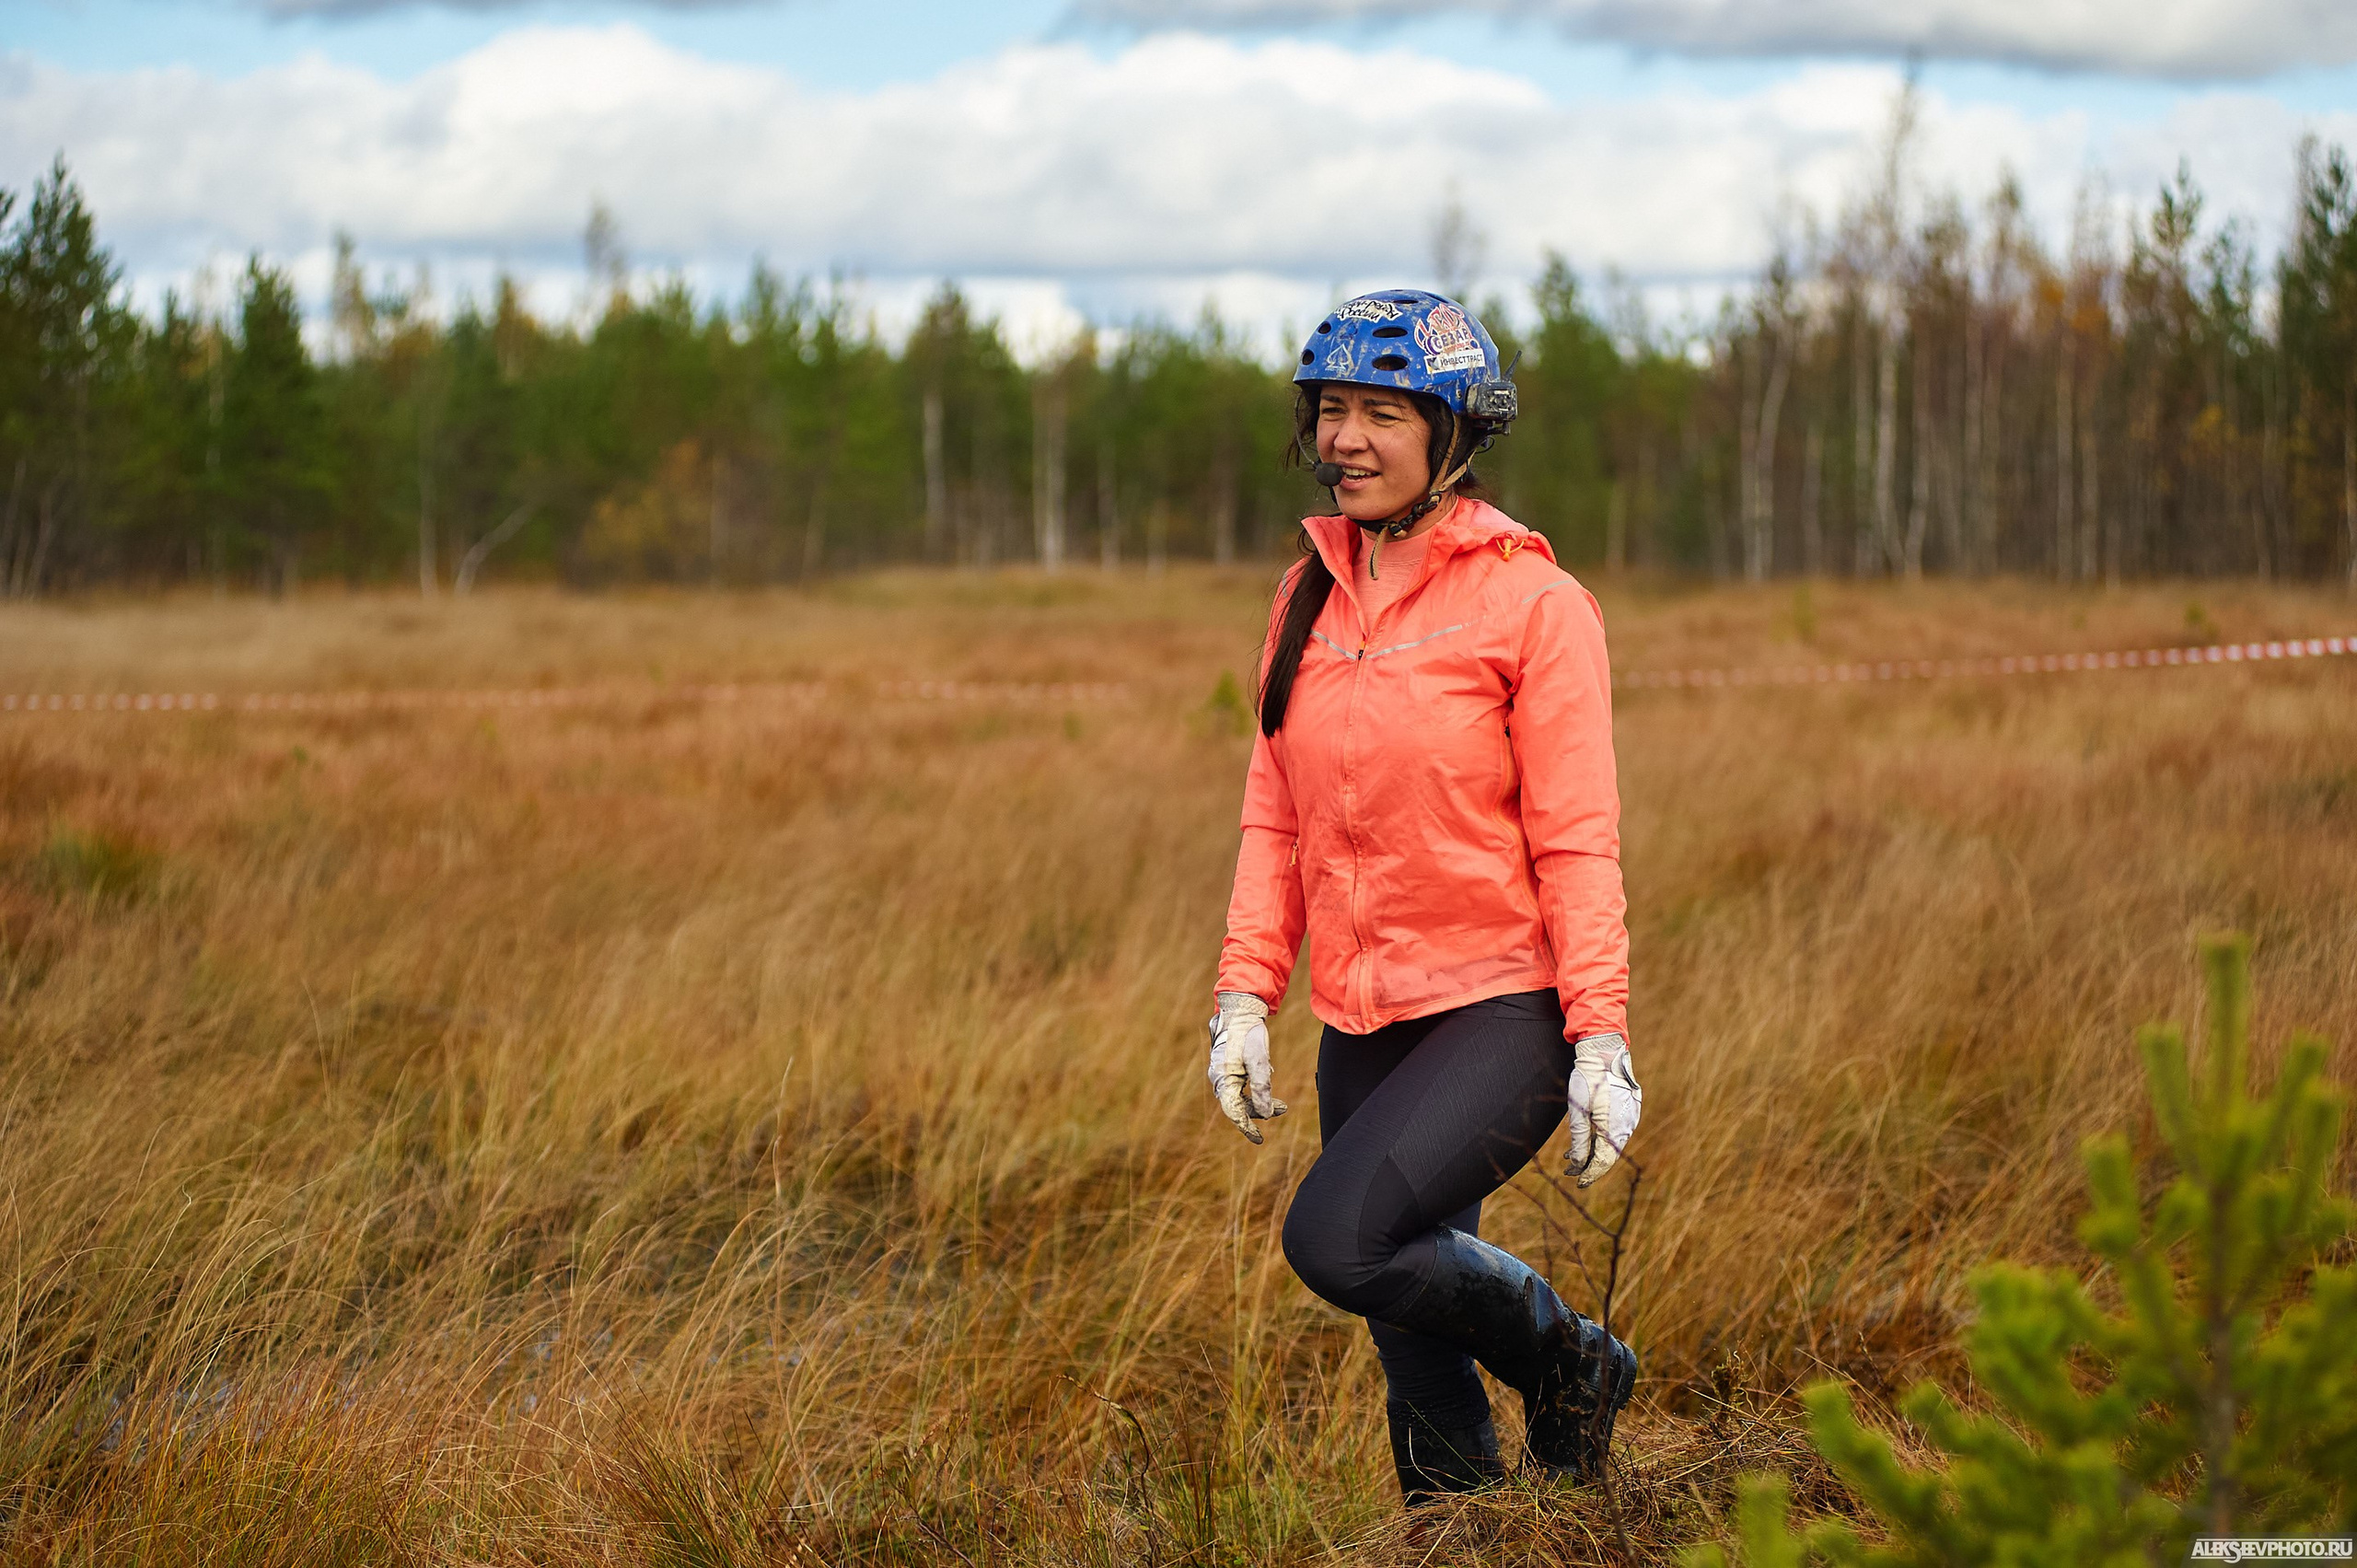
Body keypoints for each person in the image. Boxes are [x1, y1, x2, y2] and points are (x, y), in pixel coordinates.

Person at [1205, 289, 1643, 1508]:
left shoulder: (1535, 606)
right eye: (1330, 409)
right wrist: (1243, 996)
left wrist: (1600, 1036)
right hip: (1361, 1015)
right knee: (1410, 1333)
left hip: (1503, 1011)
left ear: (1453, 432)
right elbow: (1275, 816)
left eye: (1382, 413)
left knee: (1339, 1242)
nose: (1344, 438)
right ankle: (1465, 1533)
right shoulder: (1305, 597)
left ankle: (1572, 1359)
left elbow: (1578, 840)